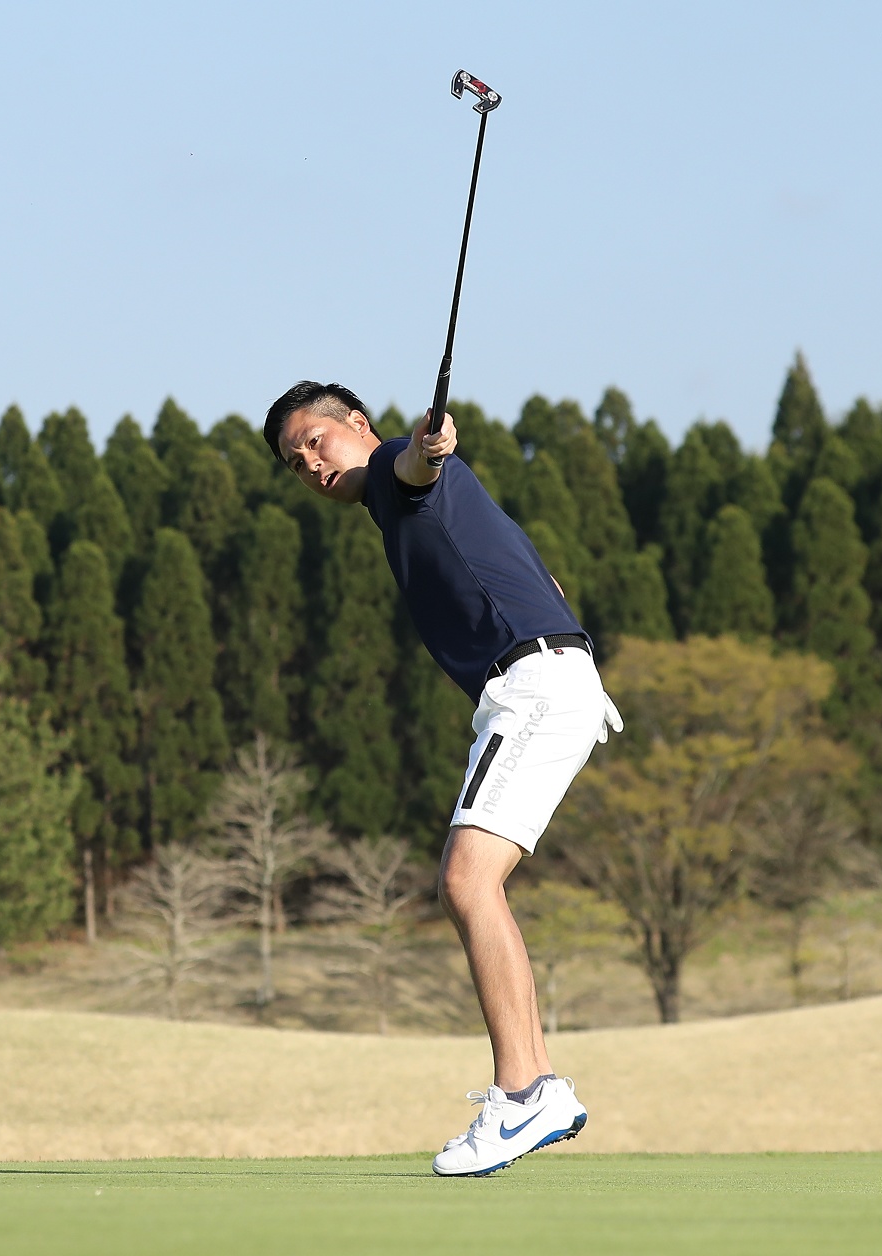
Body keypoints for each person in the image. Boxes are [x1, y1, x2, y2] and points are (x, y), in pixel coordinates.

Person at [263, 380, 622, 1178]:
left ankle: (524, 1092)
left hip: (532, 687)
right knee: (473, 883)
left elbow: (418, 463)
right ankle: (538, 1089)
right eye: (295, 464)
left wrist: (429, 446)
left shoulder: (398, 471)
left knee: (466, 882)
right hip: (552, 681)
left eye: (316, 443)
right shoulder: (407, 508)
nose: (310, 465)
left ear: (357, 426)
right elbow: (543, 582)